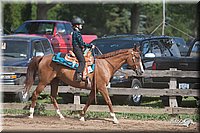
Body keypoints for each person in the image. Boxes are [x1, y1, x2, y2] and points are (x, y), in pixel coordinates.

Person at [71, 17, 95, 82]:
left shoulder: (76, 32)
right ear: (77, 25)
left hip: (78, 48)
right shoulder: (76, 33)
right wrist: (90, 45)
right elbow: (81, 43)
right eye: (80, 24)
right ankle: (78, 75)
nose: (81, 26)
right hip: (77, 49)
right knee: (82, 61)